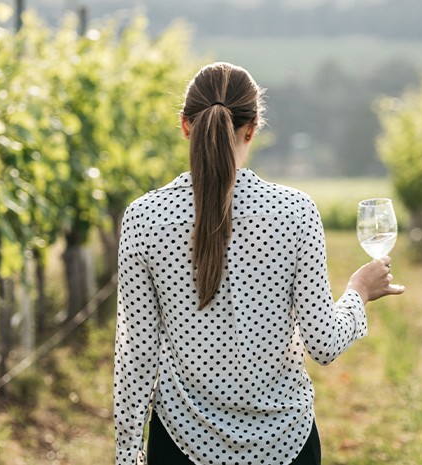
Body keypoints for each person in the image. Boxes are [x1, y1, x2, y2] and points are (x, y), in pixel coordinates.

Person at [114, 62, 405, 465]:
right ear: (252, 128)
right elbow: (322, 344)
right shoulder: (295, 213)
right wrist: (358, 292)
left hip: (182, 444)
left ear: (184, 125)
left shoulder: (145, 218)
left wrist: (129, 454)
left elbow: (137, 355)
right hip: (285, 444)